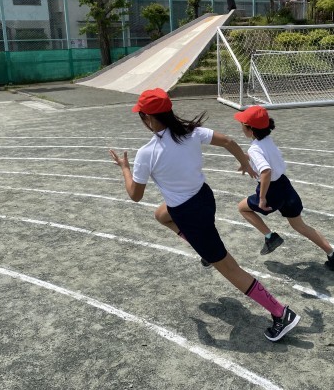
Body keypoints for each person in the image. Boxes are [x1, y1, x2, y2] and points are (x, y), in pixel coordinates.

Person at [109, 88, 301, 342]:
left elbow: (135, 195)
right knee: (161, 214)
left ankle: (280, 313)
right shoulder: (191, 132)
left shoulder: (147, 152)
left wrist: (125, 168)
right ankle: (205, 252)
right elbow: (229, 141)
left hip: (190, 214)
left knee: (230, 268)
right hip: (204, 198)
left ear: (147, 118)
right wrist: (245, 162)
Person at [234, 105, 334, 270]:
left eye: (242, 124)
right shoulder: (267, 141)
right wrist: (248, 159)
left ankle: (270, 237)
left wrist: (262, 198)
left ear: (250, 129)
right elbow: (267, 159)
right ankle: (333, 254)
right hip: (285, 186)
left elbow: (266, 171)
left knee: (242, 208)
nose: (241, 127)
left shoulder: (255, 148)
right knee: (299, 225)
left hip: (271, 191)